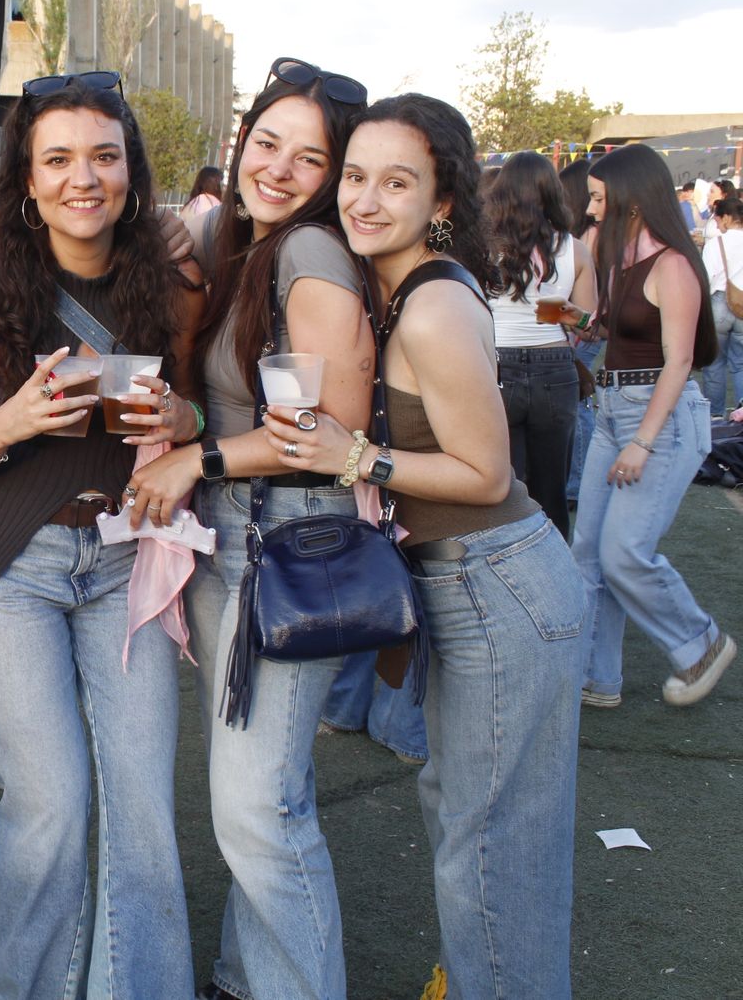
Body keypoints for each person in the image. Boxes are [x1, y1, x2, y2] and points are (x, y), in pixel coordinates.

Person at [264, 92, 584, 1000]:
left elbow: (486, 474)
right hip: (474, 585)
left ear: (441, 199)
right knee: (470, 819)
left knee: (492, 847)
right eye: (355, 176)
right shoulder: (404, 285)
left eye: (395, 182)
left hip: (500, 583)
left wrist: (353, 452)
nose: (366, 199)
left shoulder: (434, 306)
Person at [0, 71, 202, 999]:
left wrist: (182, 415)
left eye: (103, 155)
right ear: (28, 181)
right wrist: (11, 423)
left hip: (127, 551)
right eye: (57, 160)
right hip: (14, 563)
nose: (83, 177)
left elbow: (199, 410)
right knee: (49, 804)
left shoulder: (166, 284)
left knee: (144, 808)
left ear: (130, 170)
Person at [127, 56, 375, 1000]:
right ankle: (246, 977)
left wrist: (204, 458)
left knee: (257, 808)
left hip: (288, 541)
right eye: (266, 142)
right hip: (246, 540)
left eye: (309, 159)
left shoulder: (309, 254)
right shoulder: (245, 242)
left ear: (332, 175)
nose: (277, 167)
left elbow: (326, 434)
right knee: (262, 795)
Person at [566, 144, 734, 708]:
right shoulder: (618, 255)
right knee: (587, 551)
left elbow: (679, 361)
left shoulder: (674, 264)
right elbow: (614, 326)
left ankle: (700, 643)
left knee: (624, 553)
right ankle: (594, 678)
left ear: (631, 199)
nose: (590, 210)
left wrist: (643, 442)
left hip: (658, 419)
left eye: (596, 198)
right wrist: (583, 323)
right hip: (614, 410)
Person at [487, 150, 598, 536]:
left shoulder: (484, 248)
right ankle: (557, 572)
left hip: (496, 364)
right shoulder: (575, 249)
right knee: (552, 486)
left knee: (505, 484)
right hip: (555, 365)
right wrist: (570, 314)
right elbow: (590, 327)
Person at [561, 157, 602, 505]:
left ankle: (576, 482)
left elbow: (588, 318)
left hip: (578, 330)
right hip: (575, 329)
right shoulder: (576, 241)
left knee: (580, 402)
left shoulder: (582, 241)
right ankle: (575, 481)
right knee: (579, 402)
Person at [699, 197, 743, 413]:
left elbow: (705, 278)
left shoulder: (715, 244)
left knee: (714, 366)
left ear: (726, 218)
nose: (716, 224)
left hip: (719, 303)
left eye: (717, 219)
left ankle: (715, 417)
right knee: (740, 365)